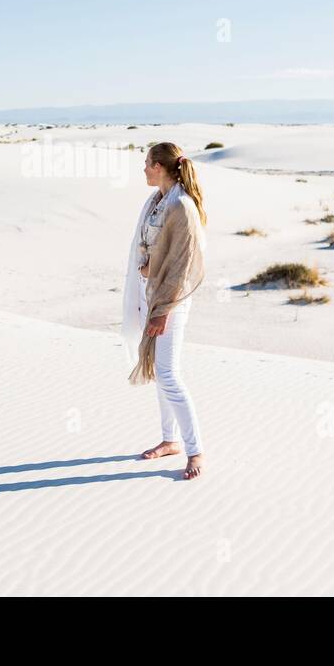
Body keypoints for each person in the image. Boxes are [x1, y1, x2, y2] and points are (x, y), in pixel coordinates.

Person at [120, 141, 208, 480]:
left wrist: (163, 309)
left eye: (146, 163)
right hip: (150, 294)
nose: (143, 168)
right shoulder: (156, 200)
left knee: (169, 374)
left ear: (160, 166)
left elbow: (183, 265)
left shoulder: (182, 206)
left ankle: (195, 450)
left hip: (169, 301)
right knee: (159, 370)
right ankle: (170, 440)